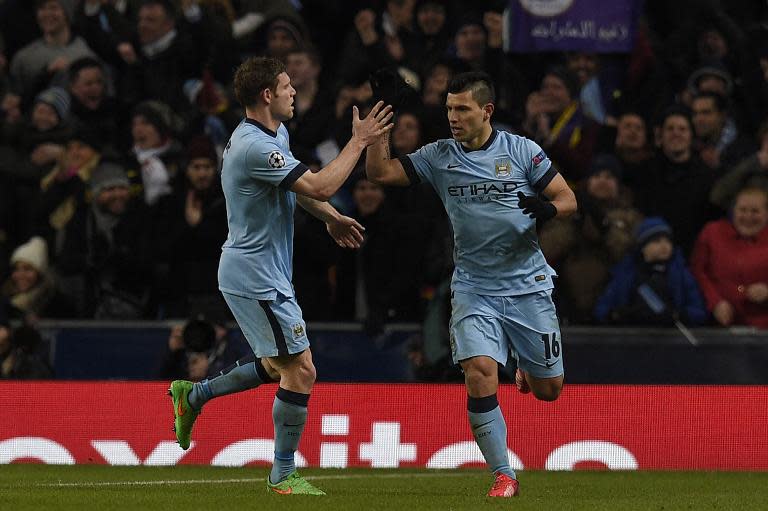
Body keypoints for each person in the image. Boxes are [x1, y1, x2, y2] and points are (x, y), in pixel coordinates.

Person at [168, 56, 393, 496]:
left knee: (276, 365)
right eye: (288, 87)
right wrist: (359, 141)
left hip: (262, 271)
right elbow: (322, 184)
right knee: (302, 369)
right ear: (268, 95)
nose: (294, 93)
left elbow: (303, 188)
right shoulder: (254, 146)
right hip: (254, 276)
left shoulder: (275, 136)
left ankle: (192, 397)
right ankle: (282, 474)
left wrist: (329, 218)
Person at [365, 71, 577, 498]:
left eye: (462, 108)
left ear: (487, 111)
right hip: (473, 287)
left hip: (527, 285)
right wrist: (377, 129)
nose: (453, 117)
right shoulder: (439, 155)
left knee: (549, 391)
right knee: (479, 373)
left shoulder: (522, 151)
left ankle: (528, 372)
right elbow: (381, 173)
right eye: (448, 108)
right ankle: (504, 474)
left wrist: (545, 208)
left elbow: (569, 199)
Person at [691, 187, 768, 329]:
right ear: (733, 211)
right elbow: (698, 271)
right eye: (742, 210)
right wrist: (715, 302)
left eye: (755, 211)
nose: (748, 217)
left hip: (762, 329)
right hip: (717, 323)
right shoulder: (712, 232)